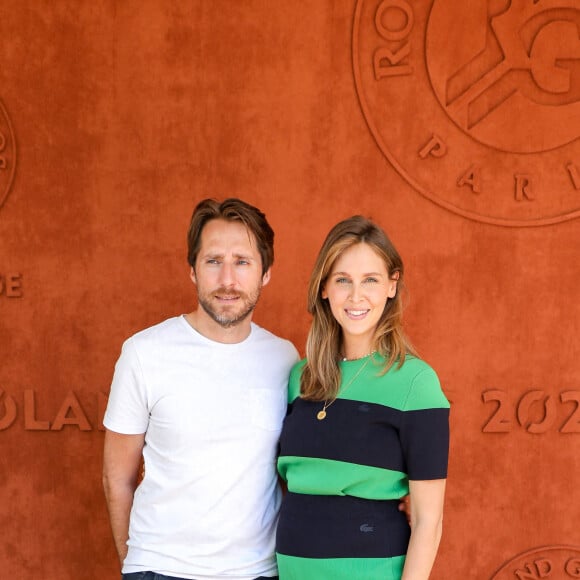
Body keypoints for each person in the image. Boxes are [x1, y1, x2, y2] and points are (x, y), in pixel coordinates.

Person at [102, 198, 300, 580]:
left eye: (242, 262)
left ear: (266, 273)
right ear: (193, 270)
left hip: (258, 571)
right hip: (160, 569)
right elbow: (117, 477)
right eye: (213, 261)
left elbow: (294, 471)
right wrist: (136, 563)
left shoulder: (285, 359)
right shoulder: (144, 354)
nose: (228, 280)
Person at [275, 216, 450, 579]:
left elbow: (428, 522)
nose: (356, 297)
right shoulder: (299, 379)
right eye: (343, 280)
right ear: (324, 288)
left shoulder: (416, 383)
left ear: (391, 285)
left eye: (370, 280)